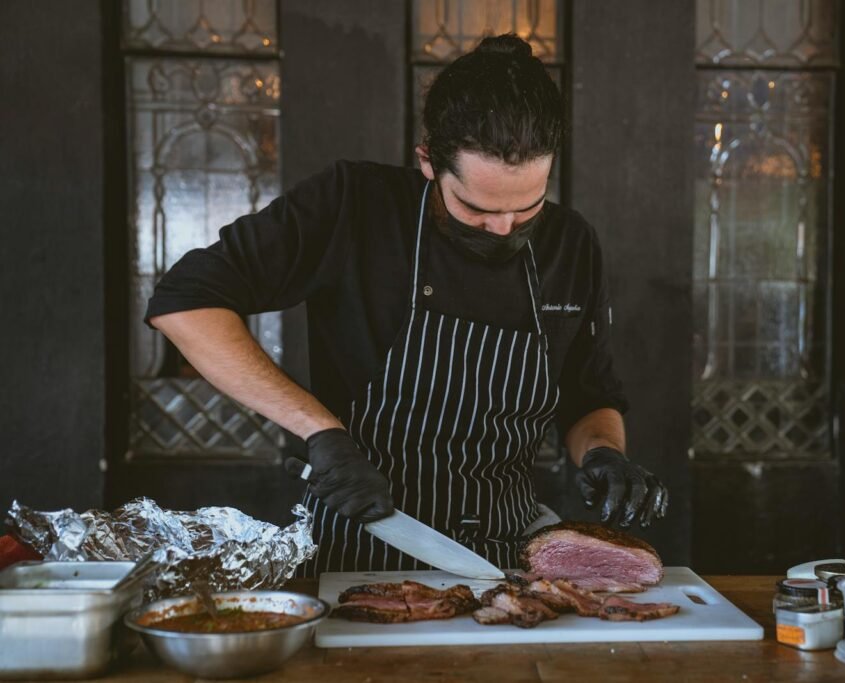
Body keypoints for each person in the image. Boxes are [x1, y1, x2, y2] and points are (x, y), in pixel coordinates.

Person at [146, 34, 668, 574]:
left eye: (527, 208)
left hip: (507, 561)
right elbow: (185, 303)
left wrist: (605, 453)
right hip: (355, 552)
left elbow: (588, 395)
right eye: (476, 208)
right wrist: (319, 433)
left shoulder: (572, 243)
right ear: (427, 161)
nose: (503, 229)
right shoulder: (354, 205)